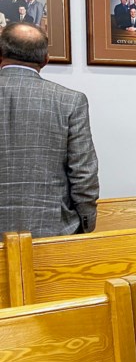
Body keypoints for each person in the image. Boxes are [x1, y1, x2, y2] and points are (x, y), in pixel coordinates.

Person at [0, 23, 99, 237]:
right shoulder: (70, 101)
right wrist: (86, 225)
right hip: (53, 231)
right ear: (46, 59)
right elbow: (84, 174)